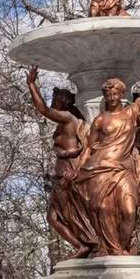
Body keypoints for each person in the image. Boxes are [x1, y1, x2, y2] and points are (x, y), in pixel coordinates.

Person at [75, 52, 140, 255]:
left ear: (122, 94)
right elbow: (89, 148)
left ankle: (123, 247)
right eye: (108, 94)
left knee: (129, 210)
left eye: (115, 94)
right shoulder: (99, 120)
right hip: (99, 170)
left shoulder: (132, 112)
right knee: (104, 211)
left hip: (123, 170)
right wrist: (79, 168)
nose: (112, 97)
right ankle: (114, 251)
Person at [27, 66, 96, 257]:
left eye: (55, 100)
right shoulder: (65, 122)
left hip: (68, 172)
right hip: (62, 172)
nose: (52, 103)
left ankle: (87, 244)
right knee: (55, 217)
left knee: (64, 215)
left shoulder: (67, 118)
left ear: (63, 102)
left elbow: (42, 109)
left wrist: (31, 85)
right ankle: (82, 245)